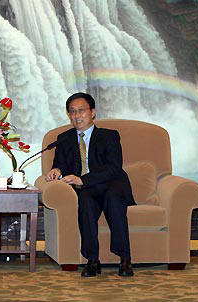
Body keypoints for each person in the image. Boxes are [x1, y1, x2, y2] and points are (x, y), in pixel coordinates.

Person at [46, 92, 135, 277]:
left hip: (111, 184)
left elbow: (114, 167)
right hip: (86, 189)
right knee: (85, 202)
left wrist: (83, 179)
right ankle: (92, 260)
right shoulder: (64, 138)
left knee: (113, 199)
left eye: (81, 110)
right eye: (72, 112)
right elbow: (60, 163)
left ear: (93, 112)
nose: (77, 115)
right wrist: (56, 170)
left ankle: (125, 258)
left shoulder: (109, 136)